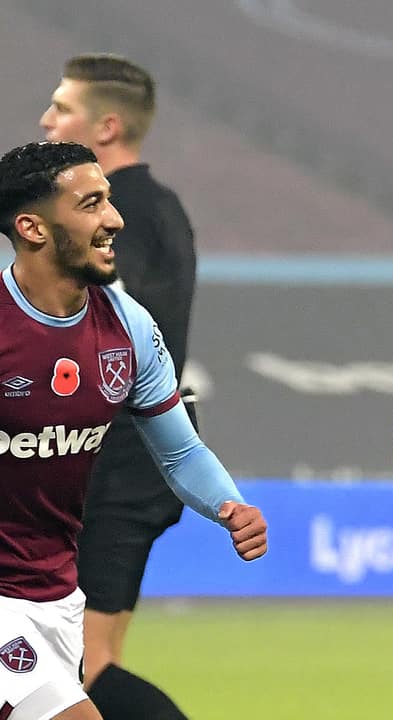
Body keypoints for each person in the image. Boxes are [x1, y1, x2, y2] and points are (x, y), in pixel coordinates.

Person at [0, 141, 268, 720]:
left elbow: (179, 451)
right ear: (33, 228)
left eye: (109, 201)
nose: (114, 219)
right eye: (91, 203)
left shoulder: (126, 326)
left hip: (58, 597)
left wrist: (229, 505)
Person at [39, 53, 199, 720]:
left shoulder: (108, 216)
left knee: (79, 667)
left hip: (114, 458)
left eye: (63, 108)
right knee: (68, 662)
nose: (47, 120)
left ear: (105, 127)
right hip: (131, 456)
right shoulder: (160, 209)